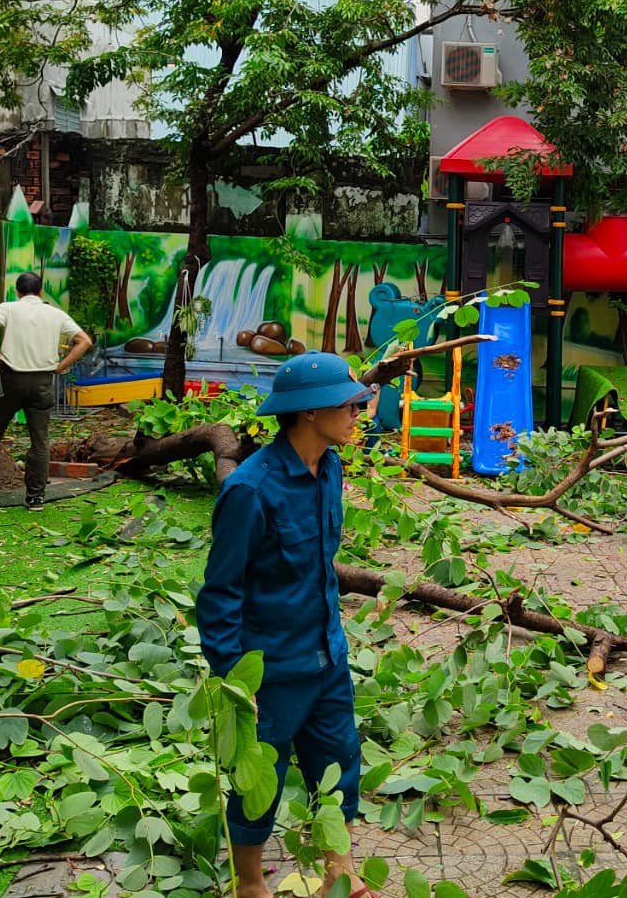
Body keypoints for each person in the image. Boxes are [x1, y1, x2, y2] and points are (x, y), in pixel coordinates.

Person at [197, 349, 412, 898]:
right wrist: (234, 681)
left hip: (327, 657)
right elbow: (221, 592)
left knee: (338, 764)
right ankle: (249, 883)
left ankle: (339, 871)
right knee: (257, 782)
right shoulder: (250, 490)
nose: (360, 413)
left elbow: (320, 565)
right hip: (269, 671)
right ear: (310, 412)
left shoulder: (331, 467)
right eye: (350, 406)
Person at [0, 273, 92, 510]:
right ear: (41, 292)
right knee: (40, 440)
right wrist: (62, 366)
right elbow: (84, 341)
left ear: (17, 291)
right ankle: (35, 496)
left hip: (11, 379)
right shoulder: (55, 314)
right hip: (43, 382)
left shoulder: (8, 308)